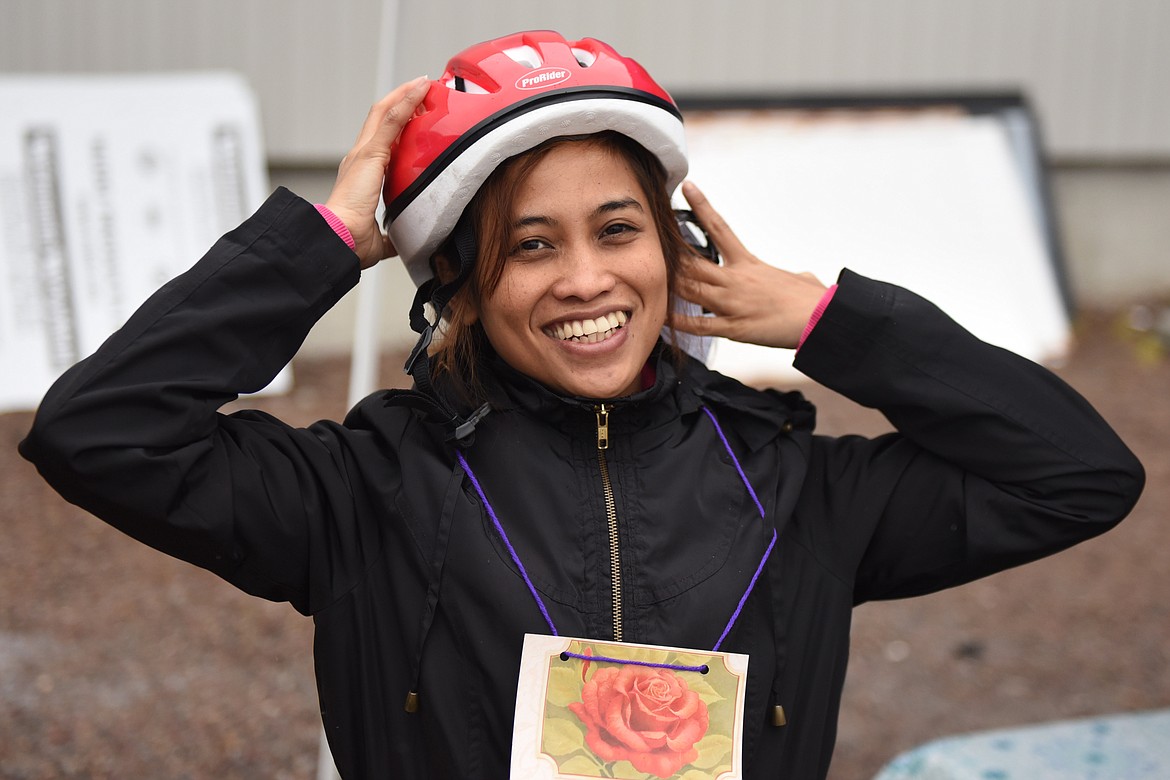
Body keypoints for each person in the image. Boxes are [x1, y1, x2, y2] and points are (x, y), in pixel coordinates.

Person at [20, 30, 1143, 780]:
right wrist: (318, 247)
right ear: (460, 283)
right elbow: (97, 431)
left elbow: (1078, 474)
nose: (586, 281)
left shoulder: (795, 485)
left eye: (618, 230)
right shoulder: (365, 490)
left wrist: (830, 321)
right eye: (529, 246)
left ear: (676, 250)